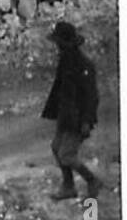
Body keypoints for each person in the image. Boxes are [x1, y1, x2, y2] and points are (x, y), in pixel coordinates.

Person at [42, 21, 101, 200]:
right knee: (56, 147)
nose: (58, 47)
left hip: (77, 119)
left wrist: (86, 121)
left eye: (60, 43)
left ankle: (92, 180)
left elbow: (91, 97)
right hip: (66, 116)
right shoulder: (65, 62)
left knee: (66, 155)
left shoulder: (83, 66)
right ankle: (68, 186)